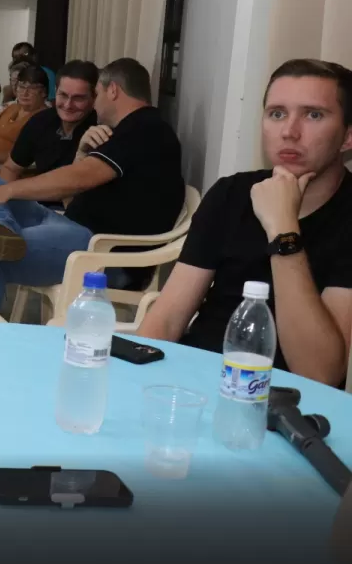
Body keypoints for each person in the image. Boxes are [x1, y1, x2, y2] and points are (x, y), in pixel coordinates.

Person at [139, 59, 352, 386]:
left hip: (289, 401)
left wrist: (283, 230)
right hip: (195, 381)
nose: (289, 132)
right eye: (277, 114)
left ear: (348, 136)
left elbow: (319, 374)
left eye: (313, 115)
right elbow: (167, 319)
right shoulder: (231, 193)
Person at [0, 57, 184, 315]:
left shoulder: (145, 129)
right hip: (71, 226)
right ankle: (0, 229)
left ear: (113, 90)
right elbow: (80, 188)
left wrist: (5, 191)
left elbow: (82, 177)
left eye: (97, 93)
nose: (96, 103)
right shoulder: (130, 129)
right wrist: (82, 153)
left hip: (102, 252)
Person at [0, 60, 98, 184]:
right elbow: (10, 168)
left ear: (94, 98)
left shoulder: (100, 130)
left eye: (78, 98)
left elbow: (75, 186)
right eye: (63, 95)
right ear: (55, 91)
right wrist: (5, 193)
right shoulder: (40, 121)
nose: (68, 105)